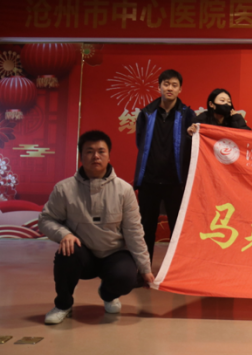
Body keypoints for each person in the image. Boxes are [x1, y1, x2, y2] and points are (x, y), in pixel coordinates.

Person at [40, 131, 153, 325]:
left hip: (114, 253)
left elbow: (134, 232)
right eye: (89, 151)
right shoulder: (64, 189)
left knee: (127, 278)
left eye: (101, 151)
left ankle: (108, 294)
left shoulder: (124, 190)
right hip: (82, 254)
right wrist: (64, 234)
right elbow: (45, 220)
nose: (96, 156)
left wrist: (145, 268)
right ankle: (63, 305)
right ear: (81, 156)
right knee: (66, 253)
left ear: (109, 156)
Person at [134, 69, 195, 263]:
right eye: (166, 84)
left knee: (178, 229)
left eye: (174, 85)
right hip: (149, 181)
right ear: (159, 87)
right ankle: (143, 270)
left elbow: (194, 145)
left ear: (180, 89)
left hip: (176, 182)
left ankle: (177, 270)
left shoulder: (188, 115)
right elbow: (140, 143)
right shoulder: (146, 113)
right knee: (146, 228)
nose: (170, 88)